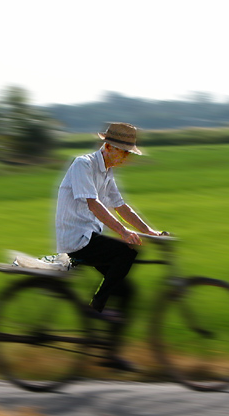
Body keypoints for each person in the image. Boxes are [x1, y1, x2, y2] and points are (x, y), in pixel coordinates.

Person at [55, 122, 161, 372]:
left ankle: (110, 354)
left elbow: (121, 206)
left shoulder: (107, 171)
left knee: (127, 291)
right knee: (126, 251)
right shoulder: (84, 165)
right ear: (109, 146)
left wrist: (149, 231)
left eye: (128, 153)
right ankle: (96, 307)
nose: (125, 158)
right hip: (76, 238)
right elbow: (93, 204)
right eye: (123, 152)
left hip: (91, 236)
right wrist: (124, 232)